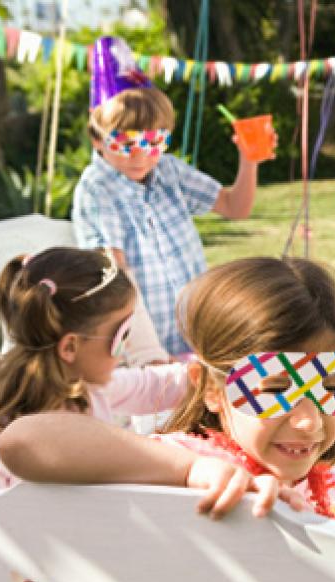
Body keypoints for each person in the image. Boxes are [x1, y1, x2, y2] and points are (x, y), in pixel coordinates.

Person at [0, 248, 300, 582]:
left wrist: (231, 373)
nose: (127, 350)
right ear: (70, 347)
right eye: (120, 337)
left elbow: (161, 385)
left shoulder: (90, 387)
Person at [0, 256, 335, 519]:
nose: (308, 421)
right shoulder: (195, 473)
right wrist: (190, 470)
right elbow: (23, 440)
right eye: (275, 387)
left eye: (334, 385)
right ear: (210, 388)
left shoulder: (295, 461)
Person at [72, 36, 277, 358]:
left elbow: (235, 207)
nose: (140, 156)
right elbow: (114, 274)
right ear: (97, 139)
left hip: (195, 329)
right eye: (125, 144)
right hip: (147, 344)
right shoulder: (98, 190)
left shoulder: (168, 170)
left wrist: (248, 159)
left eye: (154, 142)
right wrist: (148, 350)